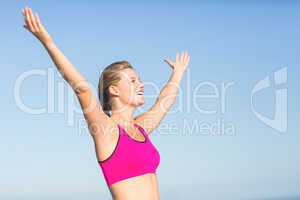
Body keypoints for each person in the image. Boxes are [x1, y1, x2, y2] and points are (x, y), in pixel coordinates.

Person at [21, 6, 190, 200]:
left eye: (139, 80)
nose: (141, 85)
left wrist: (178, 72)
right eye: (133, 80)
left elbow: (165, 101)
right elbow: (82, 88)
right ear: (114, 90)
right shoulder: (106, 131)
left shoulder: (140, 128)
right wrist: (47, 41)